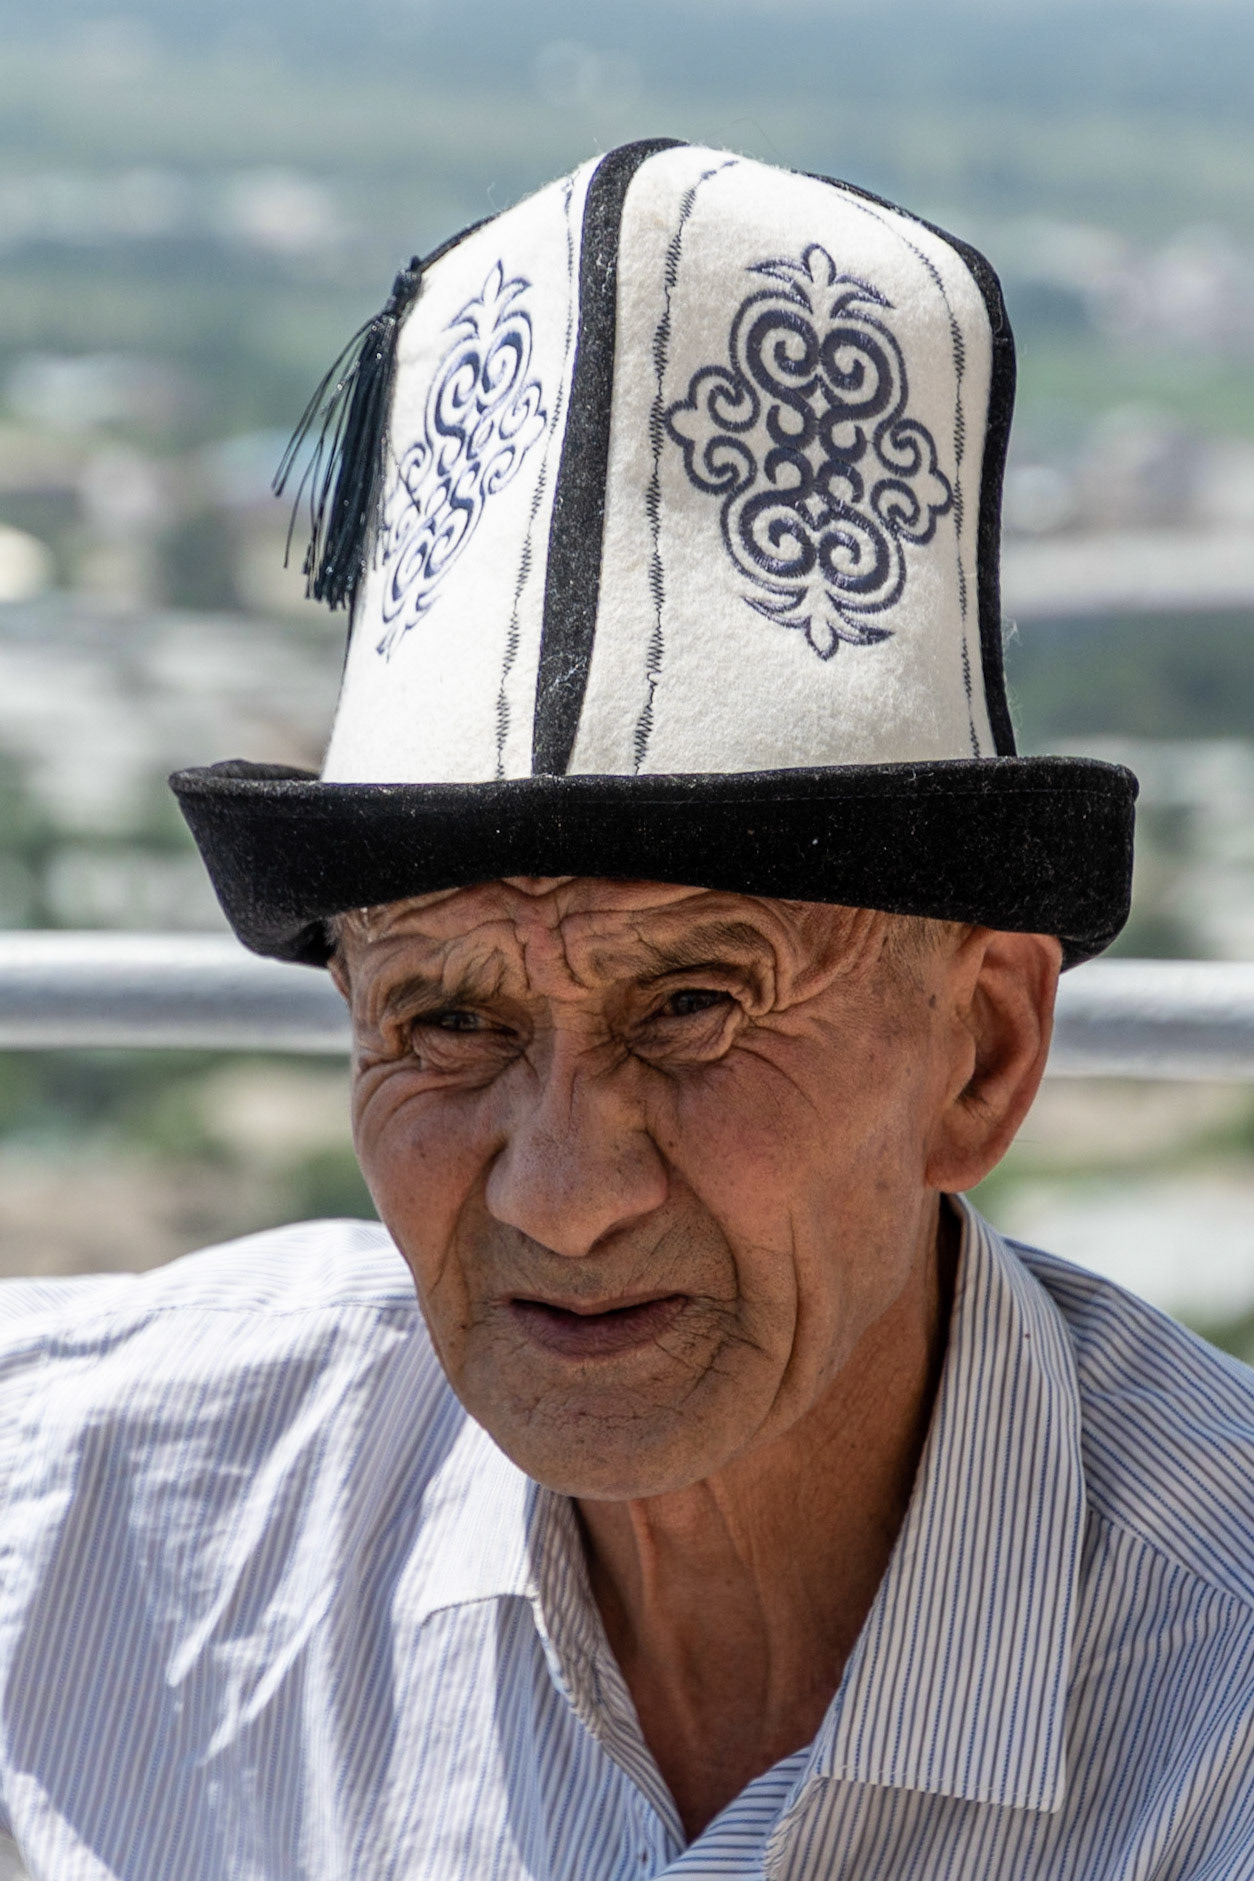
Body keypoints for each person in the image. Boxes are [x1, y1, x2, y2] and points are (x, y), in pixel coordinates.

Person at [2, 142, 1251, 1880]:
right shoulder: (85, 1515)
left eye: (692, 1005)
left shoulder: (1220, 1702)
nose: (557, 1192)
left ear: (982, 1054)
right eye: (444, 1018)